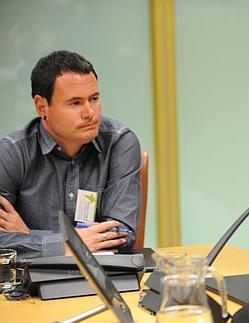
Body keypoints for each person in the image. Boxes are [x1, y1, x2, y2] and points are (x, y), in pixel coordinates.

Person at [0, 50, 142, 258]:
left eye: (94, 99)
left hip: (100, 275)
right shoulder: (12, 152)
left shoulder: (119, 142)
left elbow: (122, 234)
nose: (90, 113)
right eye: (75, 103)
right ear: (42, 106)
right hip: (30, 281)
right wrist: (66, 245)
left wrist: (30, 237)